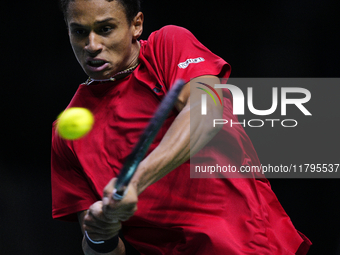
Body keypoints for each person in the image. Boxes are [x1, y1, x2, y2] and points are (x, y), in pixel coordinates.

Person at [52, 0, 312, 254]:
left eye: (106, 29)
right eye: (80, 32)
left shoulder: (168, 46)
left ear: (136, 25)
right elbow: (102, 248)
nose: (92, 45)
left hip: (249, 244)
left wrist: (135, 182)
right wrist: (100, 235)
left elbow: (206, 112)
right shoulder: (65, 136)